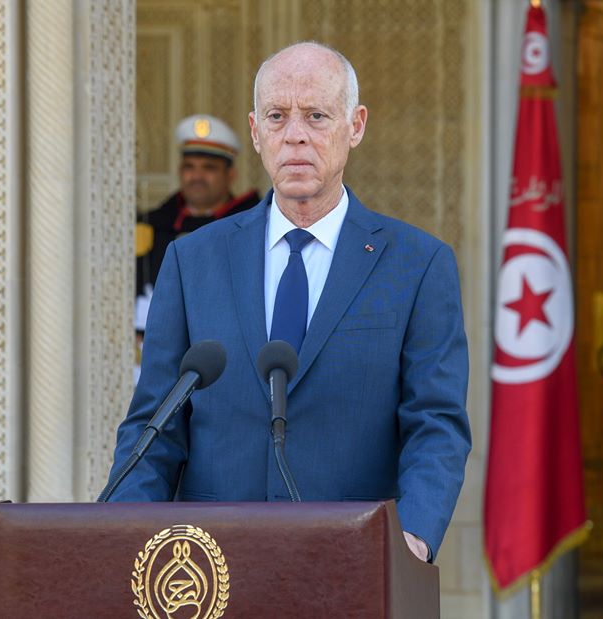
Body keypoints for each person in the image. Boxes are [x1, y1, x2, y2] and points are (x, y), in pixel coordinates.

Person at [109, 42, 471, 562]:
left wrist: (411, 538)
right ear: (256, 131)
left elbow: (435, 424)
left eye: (316, 116)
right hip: (211, 564)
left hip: (355, 559)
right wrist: (122, 536)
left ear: (356, 126)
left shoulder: (417, 264)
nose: (295, 134)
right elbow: (154, 425)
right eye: (277, 116)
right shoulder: (193, 260)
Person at [133, 114, 261, 382]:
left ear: (231, 174)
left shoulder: (254, 228)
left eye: (209, 168)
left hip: (228, 362)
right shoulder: (152, 226)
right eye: (189, 167)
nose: (197, 176)